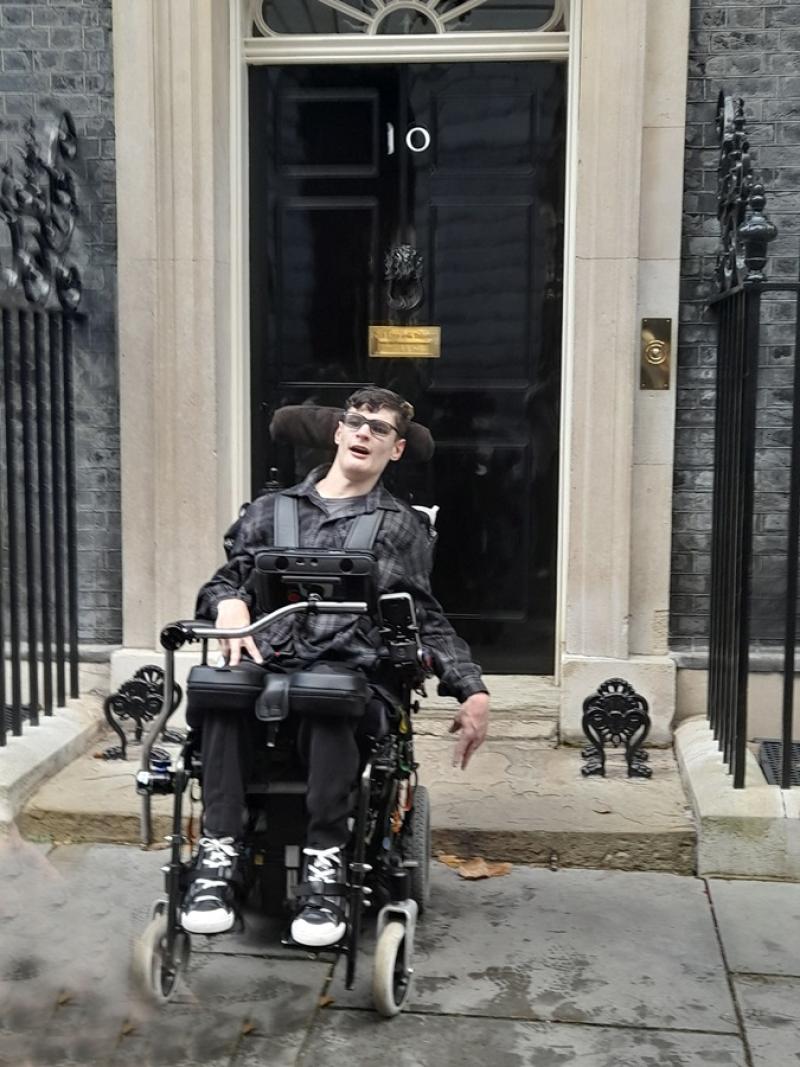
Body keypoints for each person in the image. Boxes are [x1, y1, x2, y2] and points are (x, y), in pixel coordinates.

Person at [181, 387, 491, 947]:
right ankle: (217, 855)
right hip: (265, 658)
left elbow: (423, 614)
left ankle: (326, 865)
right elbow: (225, 580)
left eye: (380, 428)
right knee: (223, 686)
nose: (364, 431)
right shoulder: (269, 511)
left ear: (395, 450)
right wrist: (228, 601)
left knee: (328, 690)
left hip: (349, 672)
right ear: (338, 432)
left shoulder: (400, 527)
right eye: (355, 421)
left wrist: (471, 690)